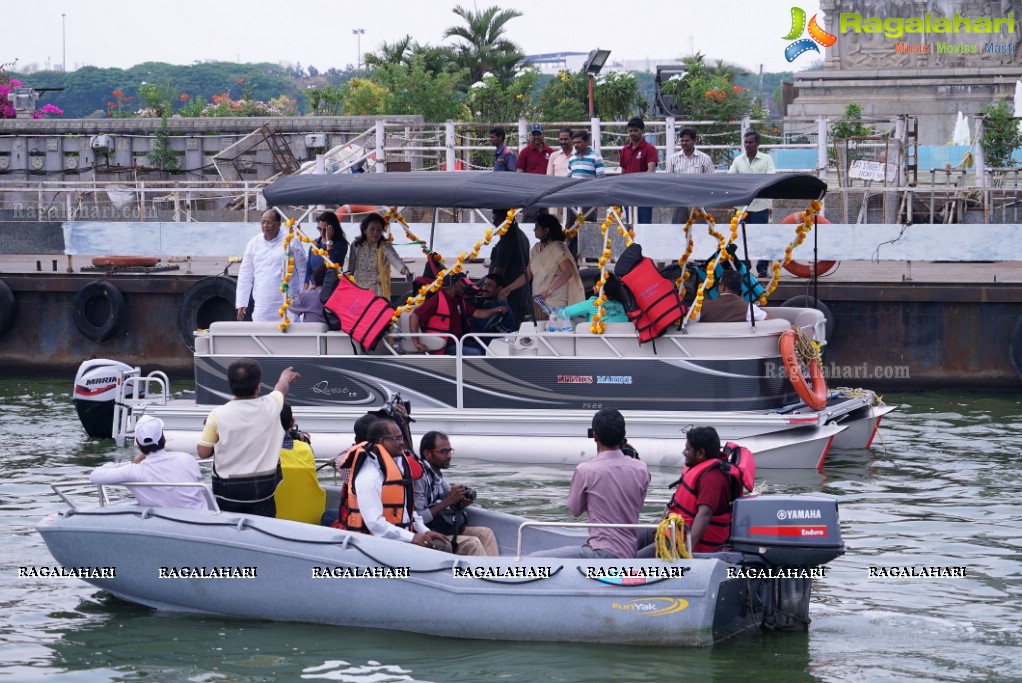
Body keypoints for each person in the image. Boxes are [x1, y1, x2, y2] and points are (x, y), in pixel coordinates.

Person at [532, 409, 650, 558]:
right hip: (629, 550)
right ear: (624, 433)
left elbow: (574, 511)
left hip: (601, 554)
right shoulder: (641, 468)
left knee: (534, 559)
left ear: (595, 436)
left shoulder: (585, 470)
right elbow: (637, 504)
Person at [196, 360, 300, 517]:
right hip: (263, 492)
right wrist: (285, 377)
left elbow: (203, 453)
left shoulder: (217, 415)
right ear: (258, 387)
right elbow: (281, 389)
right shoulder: (272, 405)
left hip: (228, 493)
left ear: (230, 384)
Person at [337, 418, 449, 549]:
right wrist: (412, 537)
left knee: (443, 545)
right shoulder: (370, 475)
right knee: (442, 548)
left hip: (398, 539)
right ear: (382, 441)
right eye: (397, 438)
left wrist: (425, 531)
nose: (402, 443)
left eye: (401, 437)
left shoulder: (395, 468)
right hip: (375, 546)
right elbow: (374, 523)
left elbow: (406, 511)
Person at [638, 426, 735, 556]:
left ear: (700, 453)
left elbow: (705, 514)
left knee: (634, 559)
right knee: (630, 540)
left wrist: (685, 549)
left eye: (688, 449)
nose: (684, 452)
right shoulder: (704, 471)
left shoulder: (712, 478)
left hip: (683, 541)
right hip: (673, 531)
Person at [89, 416, 207, 511]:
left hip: (170, 526)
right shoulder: (187, 459)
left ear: (138, 443)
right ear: (164, 438)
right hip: (203, 519)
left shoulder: (134, 471)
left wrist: (131, 463)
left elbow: (95, 476)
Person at [413, 431, 499, 556]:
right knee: (473, 543)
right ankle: (485, 574)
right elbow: (418, 517)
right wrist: (448, 502)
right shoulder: (420, 477)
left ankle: (494, 573)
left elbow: (447, 496)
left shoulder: (436, 475)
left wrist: (459, 502)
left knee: (486, 533)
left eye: (450, 451)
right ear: (427, 453)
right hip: (429, 532)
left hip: (443, 526)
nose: (448, 456)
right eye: (443, 452)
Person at [499, 213, 584, 322]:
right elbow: (528, 275)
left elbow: (568, 272)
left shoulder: (558, 249)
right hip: (539, 300)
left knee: (552, 331)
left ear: (546, 230)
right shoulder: (536, 248)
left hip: (555, 301)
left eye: (537, 227)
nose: (534, 230)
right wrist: (509, 288)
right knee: (540, 330)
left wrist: (549, 291)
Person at [236, 208, 308, 322]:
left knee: (291, 335)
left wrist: (302, 299)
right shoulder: (254, 243)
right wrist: (241, 303)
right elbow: (246, 274)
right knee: (261, 335)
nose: (265, 225)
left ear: (279, 224)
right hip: (262, 304)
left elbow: (303, 271)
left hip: (288, 302)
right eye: (263, 222)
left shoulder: (291, 241)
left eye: (269, 222)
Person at [728, 130, 776, 276]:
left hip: (760, 206)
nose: (747, 145)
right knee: (740, 239)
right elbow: (731, 178)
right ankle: (744, 269)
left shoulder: (766, 159)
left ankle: (762, 270)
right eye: (746, 142)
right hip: (741, 207)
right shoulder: (738, 160)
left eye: (750, 142)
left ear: (757, 143)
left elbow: (770, 178)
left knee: (761, 238)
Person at [274, 402, 326, 524]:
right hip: (311, 522)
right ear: (292, 422)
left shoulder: (263, 453)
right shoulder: (307, 449)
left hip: (275, 524)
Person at [409, 272, 483, 356]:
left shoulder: (458, 300)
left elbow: (477, 313)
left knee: (482, 347)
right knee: (477, 352)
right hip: (443, 346)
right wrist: (416, 342)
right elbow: (414, 316)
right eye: (461, 281)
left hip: (457, 341)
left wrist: (496, 310)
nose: (463, 285)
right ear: (454, 283)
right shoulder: (435, 301)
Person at [345, 212, 412, 299]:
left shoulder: (385, 247)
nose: (376, 233)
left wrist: (405, 270)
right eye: (372, 229)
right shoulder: (356, 245)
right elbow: (351, 268)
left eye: (379, 230)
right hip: (358, 290)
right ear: (365, 230)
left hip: (377, 293)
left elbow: (394, 259)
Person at [488, 213, 531, 326]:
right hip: (519, 292)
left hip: (508, 293)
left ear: (505, 219)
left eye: (496, 218)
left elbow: (498, 273)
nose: (494, 222)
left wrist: (487, 290)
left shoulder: (509, 238)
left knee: (508, 329)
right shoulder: (521, 235)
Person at [666, 127, 716, 224]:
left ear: (694, 141)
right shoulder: (673, 159)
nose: (684, 143)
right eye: (682, 140)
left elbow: (711, 181)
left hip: (699, 202)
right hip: (679, 201)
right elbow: (668, 180)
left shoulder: (705, 159)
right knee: (677, 231)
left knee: (699, 232)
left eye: (687, 140)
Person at [618, 117, 659, 224]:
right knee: (630, 226)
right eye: (630, 131)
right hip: (628, 194)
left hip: (644, 194)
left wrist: (641, 185)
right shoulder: (624, 150)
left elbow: (651, 169)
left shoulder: (650, 149)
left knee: (644, 226)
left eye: (636, 130)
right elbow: (623, 171)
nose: (632, 133)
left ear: (642, 131)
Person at [695, 270, 768, 323]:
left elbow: (688, 323)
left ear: (723, 287)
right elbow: (768, 319)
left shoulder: (702, 307)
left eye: (719, 284)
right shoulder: (749, 309)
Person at [561, 272, 630, 323]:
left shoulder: (593, 303)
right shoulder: (623, 305)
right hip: (619, 341)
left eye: (595, 285)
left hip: (596, 341)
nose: (593, 287)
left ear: (601, 288)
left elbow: (562, 313)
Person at [305, 210, 348, 289]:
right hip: (314, 288)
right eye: (319, 229)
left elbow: (334, 265)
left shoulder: (340, 244)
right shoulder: (315, 244)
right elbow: (309, 270)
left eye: (325, 230)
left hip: (330, 289)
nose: (321, 233)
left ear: (332, 229)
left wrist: (329, 241)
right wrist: (305, 292)